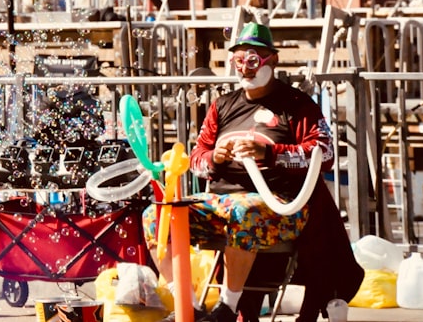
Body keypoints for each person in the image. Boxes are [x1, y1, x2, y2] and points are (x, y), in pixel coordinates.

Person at [144, 22, 336, 322]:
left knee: (243, 212)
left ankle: (226, 308)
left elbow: (324, 154)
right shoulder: (223, 106)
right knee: (156, 217)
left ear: (272, 61)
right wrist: (215, 158)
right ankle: (189, 305)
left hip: (278, 205)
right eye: (238, 61)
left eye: (253, 60)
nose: (244, 68)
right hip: (221, 202)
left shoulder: (297, 105)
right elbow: (196, 158)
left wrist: (269, 153)